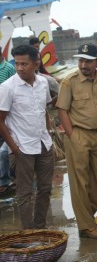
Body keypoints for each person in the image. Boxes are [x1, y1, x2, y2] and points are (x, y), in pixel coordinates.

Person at [56, 43, 97, 239]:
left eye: (88, 61)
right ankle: (86, 226)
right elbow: (61, 109)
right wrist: (72, 136)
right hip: (78, 134)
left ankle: (88, 217)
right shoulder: (69, 81)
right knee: (80, 181)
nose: (83, 64)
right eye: (80, 60)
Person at [0, 45, 55, 229]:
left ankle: (40, 227)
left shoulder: (43, 83)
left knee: (45, 189)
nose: (20, 68)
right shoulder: (7, 88)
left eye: (25, 63)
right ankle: (30, 233)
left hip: (43, 144)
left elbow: (44, 110)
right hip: (21, 148)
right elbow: (1, 121)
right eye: (17, 63)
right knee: (24, 193)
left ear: (35, 63)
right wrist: (14, 149)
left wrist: (49, 134)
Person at [0, 46, 16, 196]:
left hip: (7, 110)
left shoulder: (9, 68)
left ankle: (5, 180)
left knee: (4, 150)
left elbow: (14, 86)